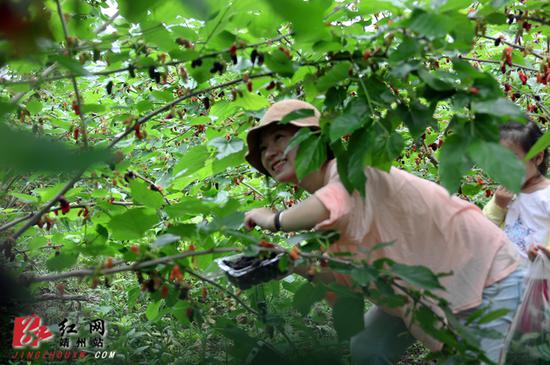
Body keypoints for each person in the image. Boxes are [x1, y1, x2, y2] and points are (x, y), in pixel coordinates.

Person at [243, 99, 525, 364]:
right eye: (263, 148)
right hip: (420, 286)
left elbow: (328, 203)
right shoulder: (333, 215)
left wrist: (273, 220)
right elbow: (345, 275)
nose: (270, 152)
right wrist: (287, 260)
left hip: (482, 274)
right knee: (369, 346)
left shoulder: (351, 172)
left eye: (279, 138)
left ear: (314, 137)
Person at [482, 121, 550, 261]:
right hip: (505, 274)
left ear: (538, 157)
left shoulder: (547, 194)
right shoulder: (505, 195)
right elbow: (482, 229)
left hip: (538, 277)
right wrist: (498, 205)